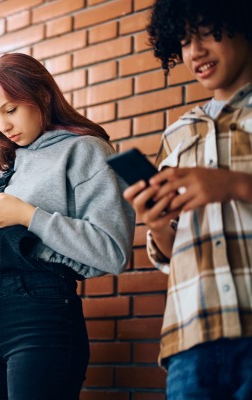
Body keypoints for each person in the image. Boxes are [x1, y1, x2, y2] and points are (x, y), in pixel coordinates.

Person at [0, 53, 135, 400]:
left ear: (43, 96)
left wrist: (29, 215)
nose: (3, 125)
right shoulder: (1, 172)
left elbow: (113, 251)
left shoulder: (85, 151)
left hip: (44, 317)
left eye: (11, 109)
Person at [123, 0, 252, 398]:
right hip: (190, 341)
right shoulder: (175, 136)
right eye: (183, 40)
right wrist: (157, 224)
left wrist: (233, 185)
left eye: (206, 31)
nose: (193, 51)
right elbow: (167, 251)